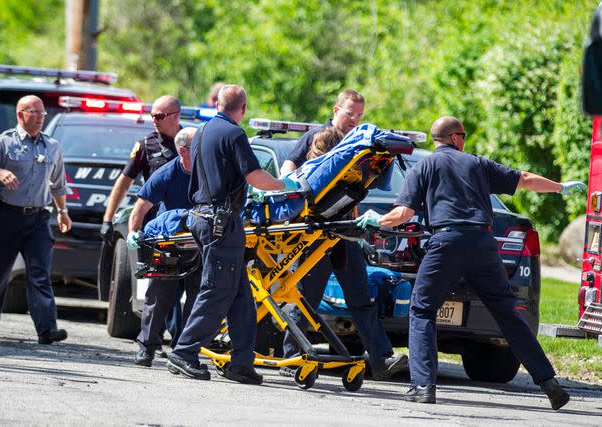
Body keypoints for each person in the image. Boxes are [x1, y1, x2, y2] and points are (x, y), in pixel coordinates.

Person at [357, 116, 585, 409]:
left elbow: (402, 214)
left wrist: (376, 220)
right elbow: (524, 179)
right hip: (483, 245)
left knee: (422, 309)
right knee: (507, 315)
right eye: (462, 135)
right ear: (454, 138)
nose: (464, 140)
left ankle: (423, 386)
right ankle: (550, 384)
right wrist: (560, 187)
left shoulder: (423, 167)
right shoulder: (477, 164)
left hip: (447, 243)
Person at [167, 84, 297, 384]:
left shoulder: (201, 132)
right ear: (243, 109)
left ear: (218, 104)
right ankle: (184, 352)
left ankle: (241, 361)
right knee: (217, 290)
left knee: (240, 295)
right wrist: (285, 186)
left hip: (203, 216)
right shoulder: (234, 134)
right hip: (220, 222)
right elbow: (255, 177)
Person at [278, 89, 408, 380]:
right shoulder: (317, 137)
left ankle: (380, 359)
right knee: (305, 298)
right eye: (350, 113)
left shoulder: (360, 146)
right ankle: (291, 357)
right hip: (314, 234)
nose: (354, 119)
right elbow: (287, 174)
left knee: (361, 298)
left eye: (359, 116)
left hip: (346, 231)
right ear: (336, 110)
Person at [0, 95, 72, 344]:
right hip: (6, 216)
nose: (40, 118)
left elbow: (58, 185)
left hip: (38, 218)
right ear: (20, 115)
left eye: (42, 114)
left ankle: (47, 329)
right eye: (34, 113)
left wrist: (62, 212)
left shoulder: (52, 146)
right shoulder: (3, 142)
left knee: (40, 273)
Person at [125, 127, 201, 367]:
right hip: (169, 243)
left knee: (197, 297)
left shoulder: (207, 171)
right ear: (183, 151)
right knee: (159, 297)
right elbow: (141, 206)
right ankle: (146, 348)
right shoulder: (167, 173)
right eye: (196, 146)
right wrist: (133, 233)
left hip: (198, 244)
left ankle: (183, 350)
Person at [100, 95, 183, 241]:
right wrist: (108, 219)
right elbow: (125, 181)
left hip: (184, 216)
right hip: (154, 219)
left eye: (159, 116)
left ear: (176, 116)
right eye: (152, 116)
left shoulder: (191, 142)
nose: (154, 121)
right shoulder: (146, 145)